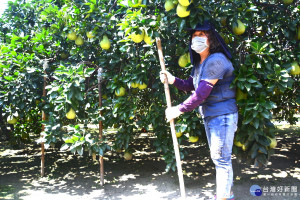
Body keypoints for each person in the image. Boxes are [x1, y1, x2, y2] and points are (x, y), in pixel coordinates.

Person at [160, 20, 238, 200]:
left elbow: (201, 93)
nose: (197, 39)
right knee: (220, 158)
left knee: (221, 159)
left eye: (201, 35)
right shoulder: (200, 63)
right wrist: (172, 80)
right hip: (212, 116)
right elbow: (191, 85)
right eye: (194, 36)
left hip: (222, 115)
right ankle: (228, 193)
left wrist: (178, 109)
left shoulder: (216, 60)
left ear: (211, 39)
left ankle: (224, 197)